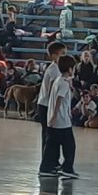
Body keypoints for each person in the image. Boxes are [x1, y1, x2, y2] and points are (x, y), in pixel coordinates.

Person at [43, 55, 79, 180]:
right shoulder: (64, 83)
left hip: (55, 119)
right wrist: (55, 116)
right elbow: (59, 99)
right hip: (62, 120)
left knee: (51, 145)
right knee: (70, 146)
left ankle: (46, 168)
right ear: (70, 69)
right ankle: (67, 168)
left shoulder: (59, 80)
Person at [36, 42, 66, 177]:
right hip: (46, 105)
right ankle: (47, 163)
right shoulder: (54, 70)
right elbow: (51, 90)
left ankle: (53, 161)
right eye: (62, 54)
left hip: (49, 105)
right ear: (54, 56)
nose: (64, 56)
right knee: (49, 136)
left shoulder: (58, 69)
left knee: (53, 136)